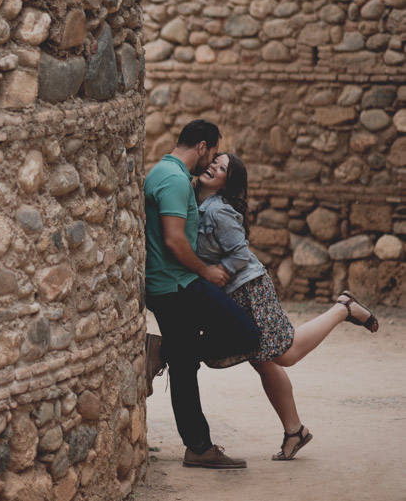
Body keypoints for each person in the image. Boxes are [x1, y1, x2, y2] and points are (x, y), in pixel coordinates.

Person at [194, 152, 379, 460]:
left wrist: (216, 273)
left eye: (222, 167)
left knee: (285, 354)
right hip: (234, 293)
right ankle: (295, 432)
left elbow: (240, 254)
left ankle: (342, 308)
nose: (213, 167)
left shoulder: (218, 210)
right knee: (263, 361)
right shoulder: (196, 200)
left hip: (250, 289)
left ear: (228, 181)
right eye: (214, 161)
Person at [144, 119, 261, 469]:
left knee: (183, 365)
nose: (209, 161)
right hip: (177, 283)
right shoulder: (176, 179)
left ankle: (198, 447)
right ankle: (164, 348)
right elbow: (174, 239)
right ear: (201, 146)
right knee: (246, 333)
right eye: (211, 154)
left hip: (168, 284)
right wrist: (207, 271)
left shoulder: (162, 171)